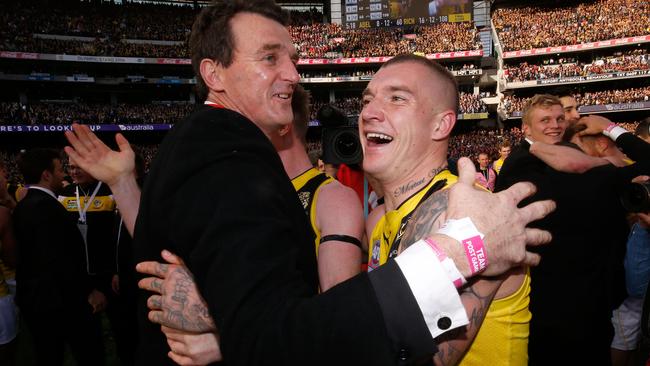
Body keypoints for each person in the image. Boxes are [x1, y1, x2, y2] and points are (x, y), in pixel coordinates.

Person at [69, 2, 553, 364]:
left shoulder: (466, 215)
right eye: (367, 97)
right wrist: (237, 327)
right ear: (213, 74)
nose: (368, 111)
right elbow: (340, 324)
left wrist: (229, 331)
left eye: (397, 98)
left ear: (443, 125)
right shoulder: (374, 216)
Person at [496, 96, 650, 365]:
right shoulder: (520, 166)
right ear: (526, 129)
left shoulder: (575, 164)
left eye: (559, 118)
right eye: (545, 120)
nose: (555, 125)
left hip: (591, 305)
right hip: (552, 311)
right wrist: (609, 132)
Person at [12, 148, 106, 366]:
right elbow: (61, 260)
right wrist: (88, 290)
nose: (64, 174)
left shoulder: (24, 206)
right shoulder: (48, 208)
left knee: (47, 355)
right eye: (59, 169)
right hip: (63, 302)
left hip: (35, 301)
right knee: (89, 354)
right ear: (46, 174)